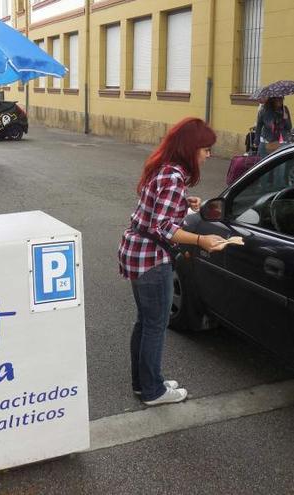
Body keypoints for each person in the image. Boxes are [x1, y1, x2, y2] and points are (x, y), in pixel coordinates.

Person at [118, 117, 227, 406]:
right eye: (205, 149)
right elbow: (163, 227)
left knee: (146, 322)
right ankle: (154, 391)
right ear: (190, 148)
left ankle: (144, 383)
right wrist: (203, 241)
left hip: (138, 252)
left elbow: (156, 208)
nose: (208, 154)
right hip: (152, 258)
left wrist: (184, 202)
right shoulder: (173, 176)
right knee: (154, 325)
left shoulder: (165, 170)